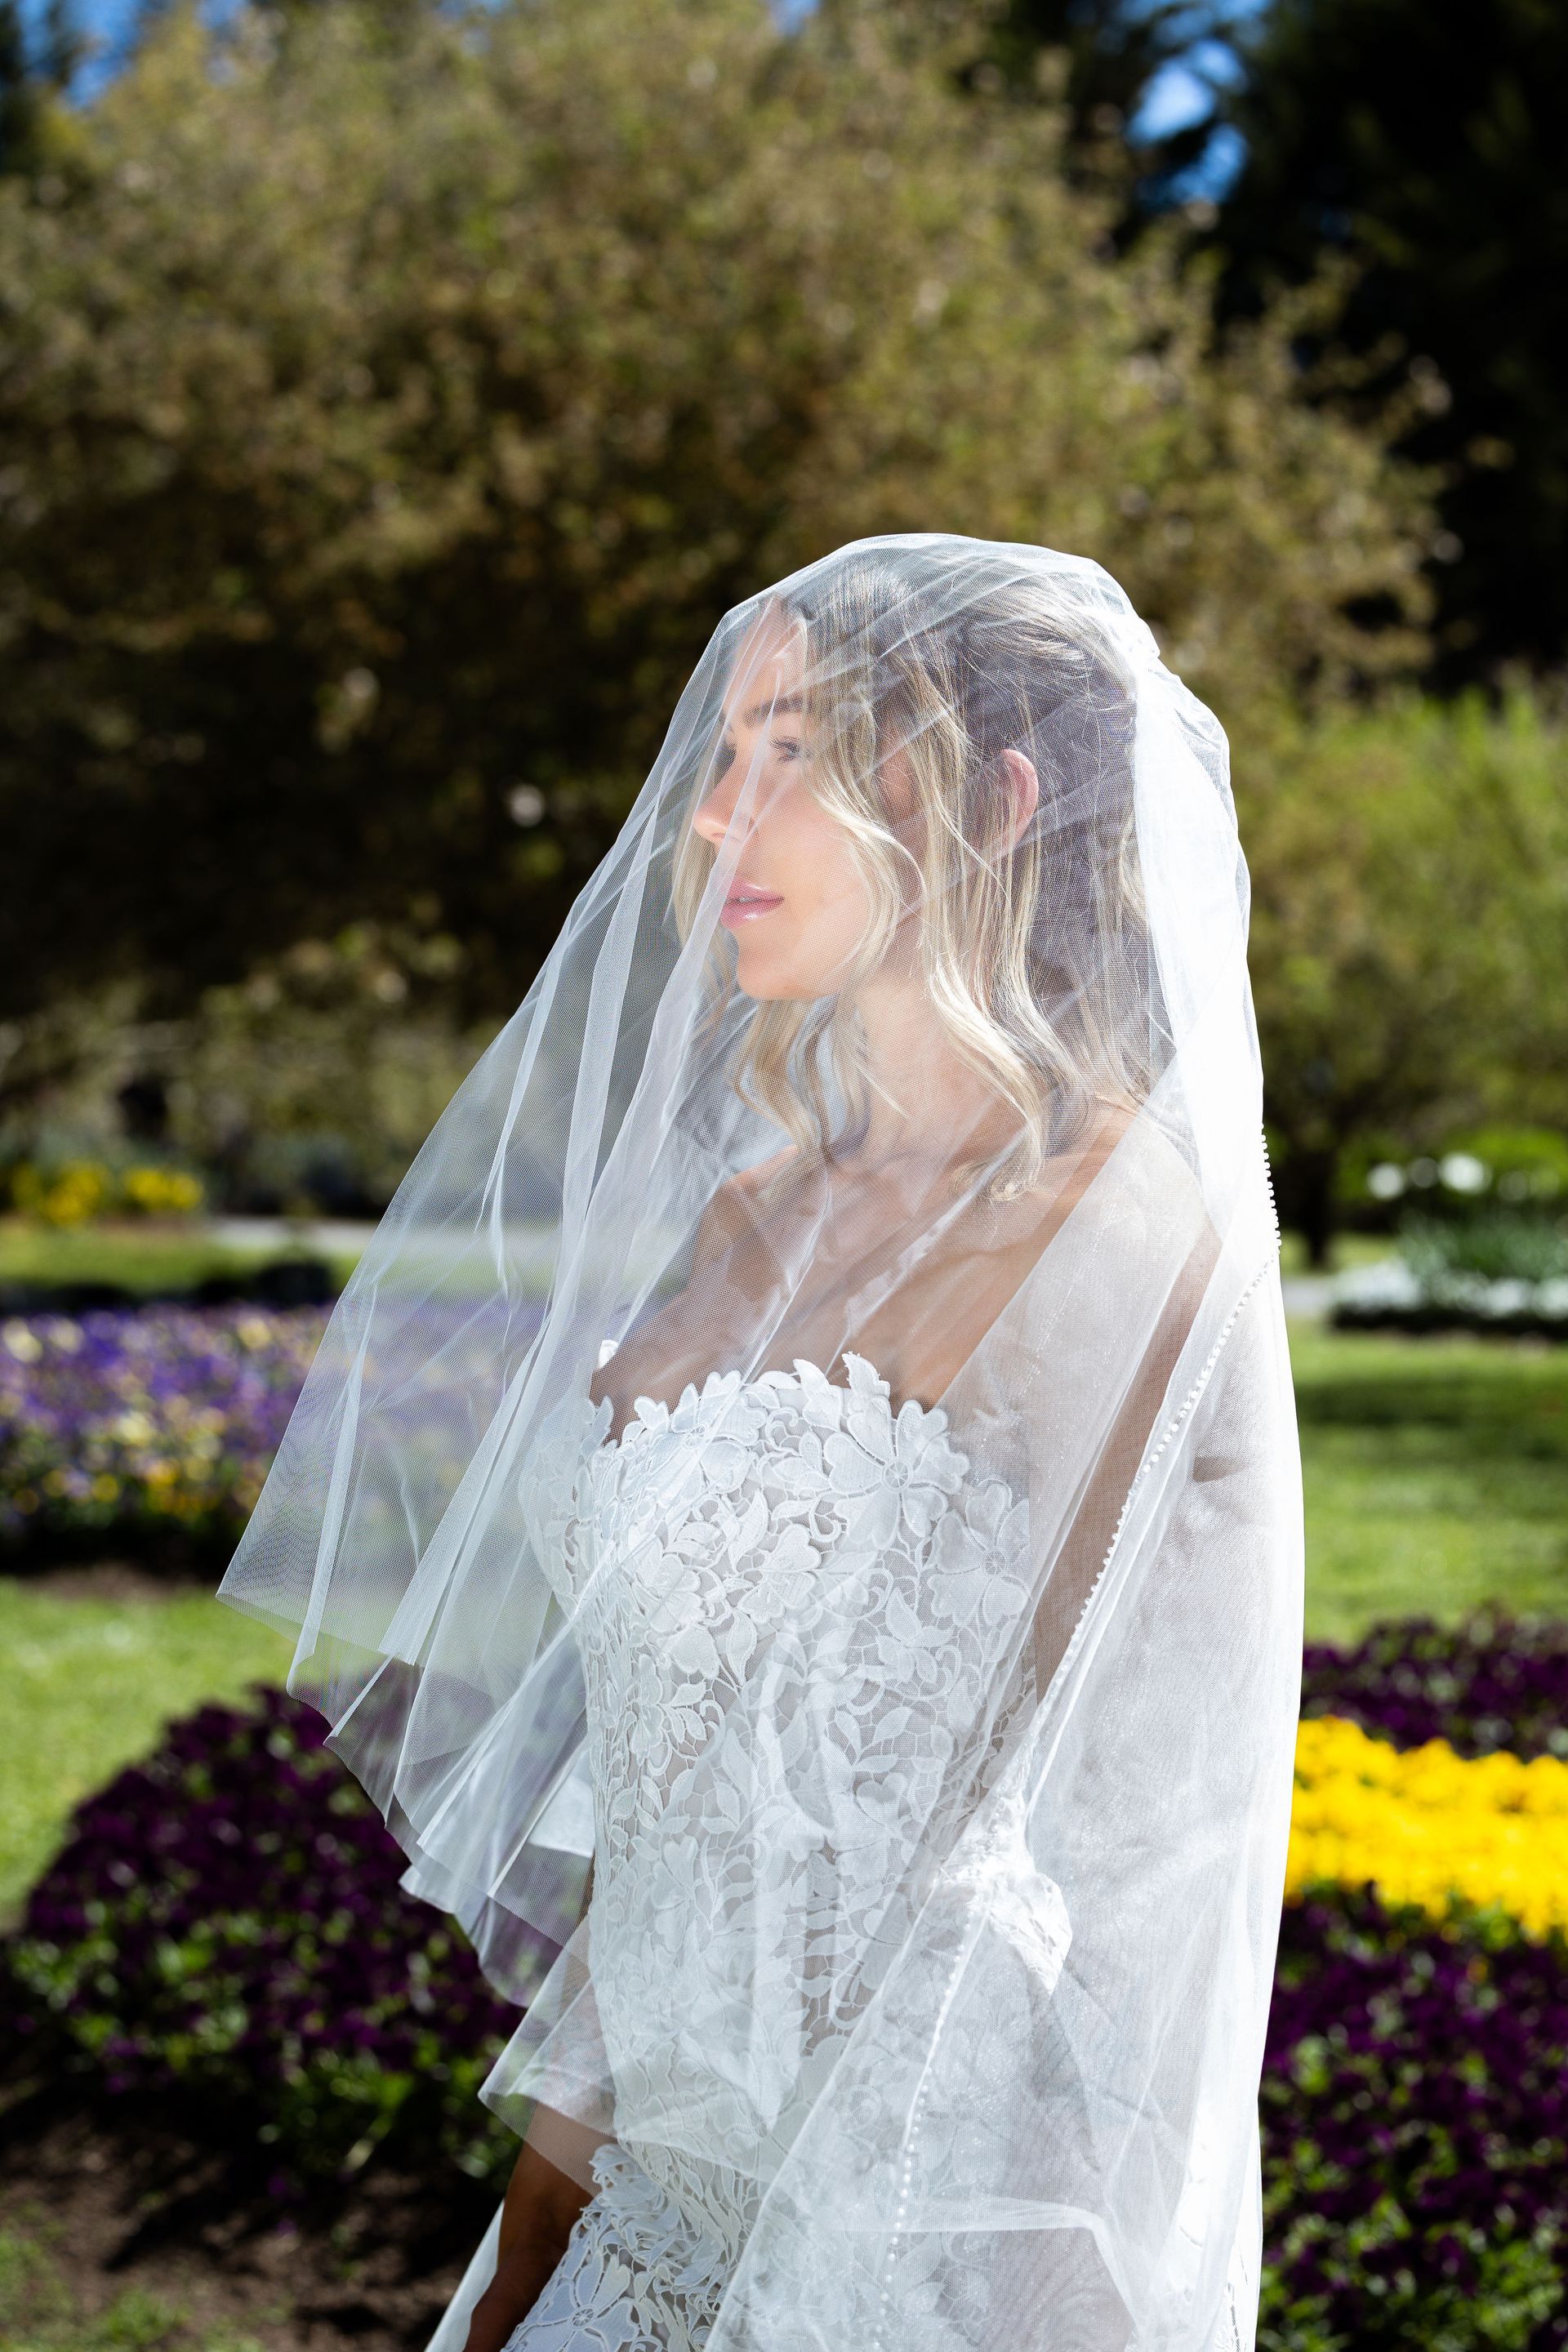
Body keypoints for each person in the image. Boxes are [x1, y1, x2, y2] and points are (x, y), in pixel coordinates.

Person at [219, 535, 1303, 2352]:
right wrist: (543, 2222)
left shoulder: (1118, 1241)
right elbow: (679, 1812)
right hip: (648, 2192)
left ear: (995, 804)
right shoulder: (754, 1215)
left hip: (926, 2227)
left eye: (789, 753)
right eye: (722, 755)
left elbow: (1118, 1866)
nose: (714, 817)